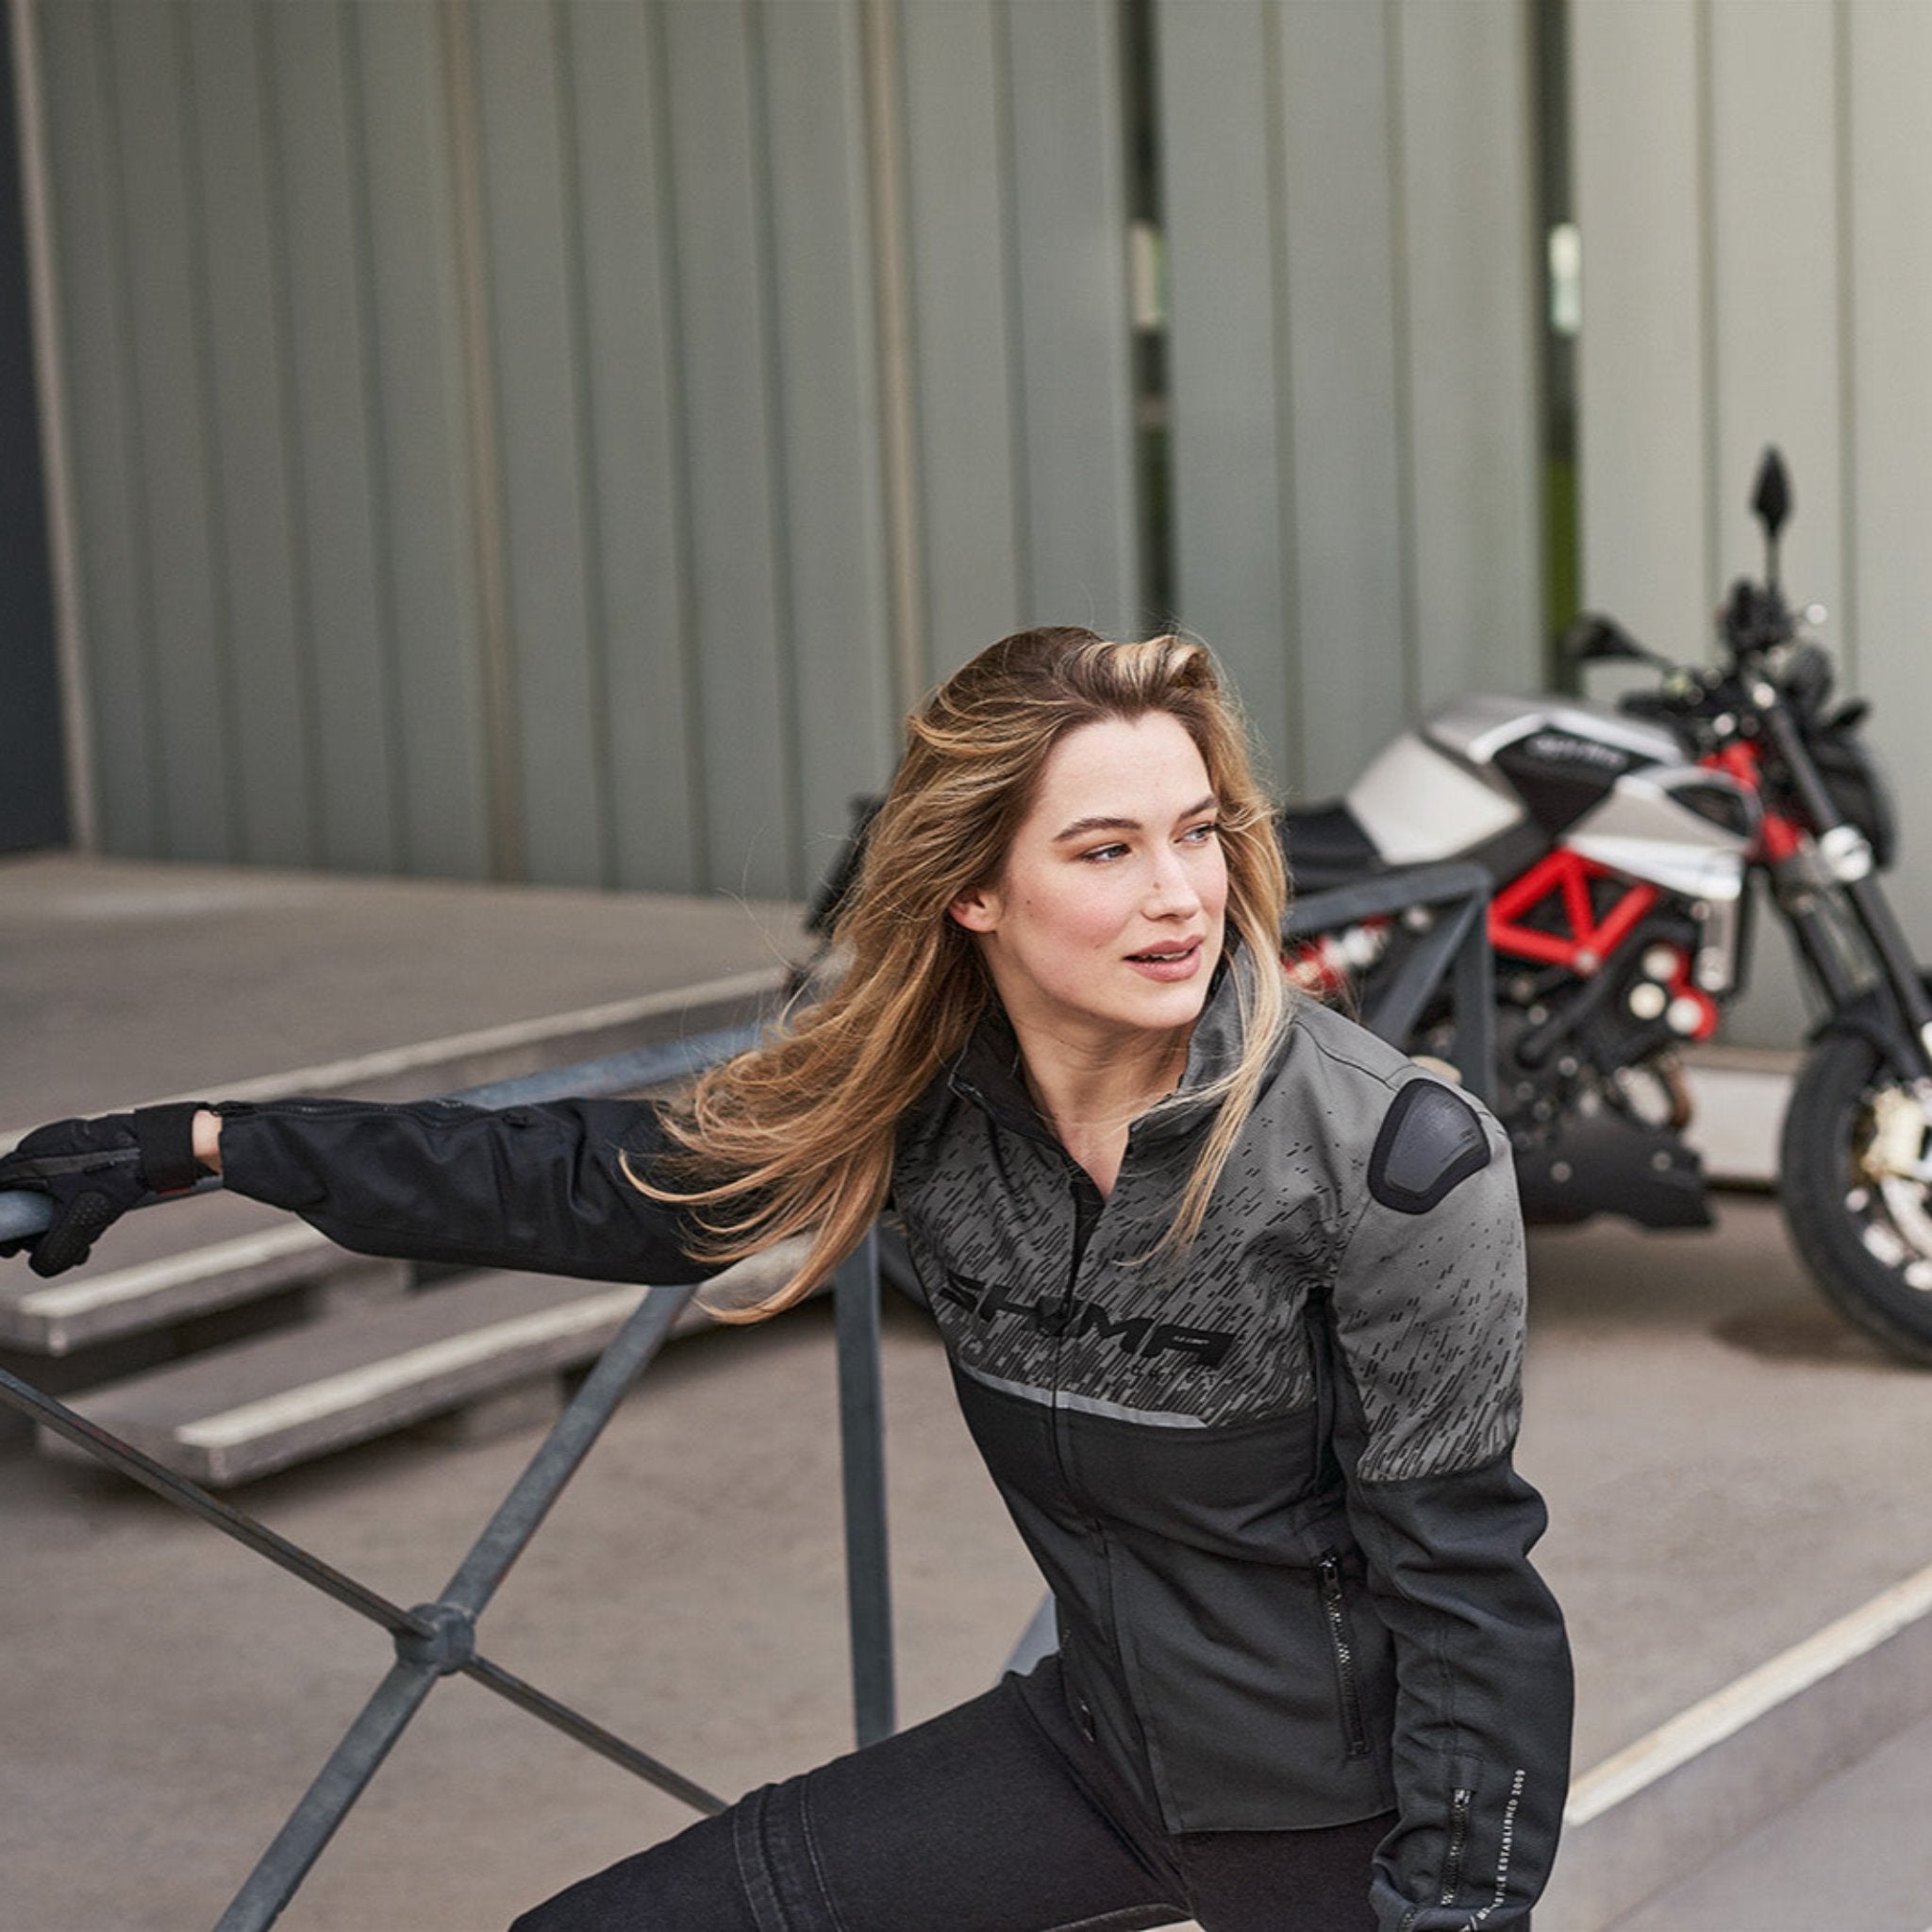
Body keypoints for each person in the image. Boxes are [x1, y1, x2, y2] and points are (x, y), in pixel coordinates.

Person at [0, 628, 1572, 1931]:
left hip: (1335, 1814)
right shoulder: (929, 1111)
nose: (1181, 896)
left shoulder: (1389, 1164)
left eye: (1197, 832)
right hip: (1099, 1752)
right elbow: (569, 1180)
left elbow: (1467, 1592)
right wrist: (192, 1147)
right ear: (974, 891)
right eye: (1106, 849)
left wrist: (1458, 1914)